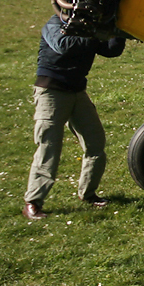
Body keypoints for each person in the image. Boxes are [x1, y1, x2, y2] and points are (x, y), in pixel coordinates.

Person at [22, 14, 126, 220]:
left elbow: (111, 50)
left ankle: (88, 194)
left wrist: (119, 31)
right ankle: (32, 202)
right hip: (50, 93)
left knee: (95, 142)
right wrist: (96, 32)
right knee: (48, 148)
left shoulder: (89, 28)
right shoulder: (54, 23)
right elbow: (64, 45)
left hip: (77, 92)